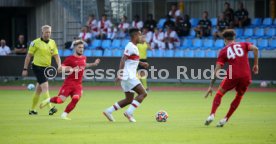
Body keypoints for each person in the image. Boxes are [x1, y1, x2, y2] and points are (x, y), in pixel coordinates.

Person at [204, 29, 259, 127]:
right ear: (234, 38)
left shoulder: (223, 51)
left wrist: (210, 86)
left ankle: (212, 115)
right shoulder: (244, 44)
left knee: (220, 93)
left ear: (225, 40)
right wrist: (255, 65)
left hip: (233, 75)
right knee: (239, 96)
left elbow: (217, 68)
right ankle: (225, 119)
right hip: (246, 76)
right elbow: (255, 49)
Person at [39, 40, 100, 120]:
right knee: (60, 100)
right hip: (69, 83)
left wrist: (93, 64)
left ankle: (64, 115)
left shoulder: (84, 57)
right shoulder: (70, 59)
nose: (81, 49)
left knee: (75, 99)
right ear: (75, 48)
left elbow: (84, 65)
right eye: (79, 47)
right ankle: (48, 100)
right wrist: (70, 69)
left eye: (82, 47)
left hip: (78, 84)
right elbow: (59, 70)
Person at [103, 28, 149, 122]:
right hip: (129, 75)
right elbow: (123, 59)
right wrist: (120, 73)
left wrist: (141, 63)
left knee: (129, 99)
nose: (141, 37)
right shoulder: (130, 46)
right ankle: (129, 113)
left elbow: (131, 59)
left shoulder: (134, 46)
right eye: (140, 35)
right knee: (143, 93)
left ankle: (108, 111)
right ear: (135, 36)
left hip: (127, 76)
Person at [22, 25, 61, 115]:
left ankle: (32, 110)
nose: (48, 34)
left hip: (47, 68)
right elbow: (29, 56)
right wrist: (25, 68)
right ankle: (51, 108)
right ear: (42, 32)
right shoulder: (35, 43)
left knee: (38, 90)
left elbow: (56, 55)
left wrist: (59, 65)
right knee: (45, 87)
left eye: (49, 32)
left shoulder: (52, 42)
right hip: (37, 67)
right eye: (46, 32)